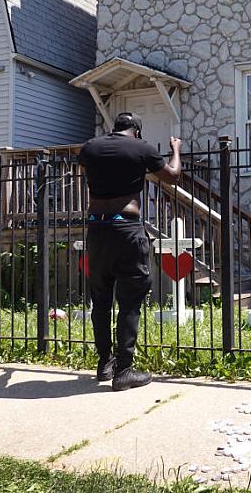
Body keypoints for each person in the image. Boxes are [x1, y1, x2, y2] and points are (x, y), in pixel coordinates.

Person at [78, 112, 181, 391]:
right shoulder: (142, 147)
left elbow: (84, 170)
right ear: (136, 131)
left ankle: (104, 364)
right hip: (126, 229)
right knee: (130, 300)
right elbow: (172, 176)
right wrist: (175, 150)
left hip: (96, 230)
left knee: (100, 300)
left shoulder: (90, 147)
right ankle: (124, 371)